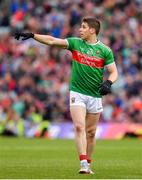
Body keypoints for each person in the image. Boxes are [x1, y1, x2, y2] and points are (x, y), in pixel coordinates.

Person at [14, 16, 118, 174]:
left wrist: (109, 82)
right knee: (78, 126)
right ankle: (83, 163)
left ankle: (88, 164)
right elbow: (52, 41)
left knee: (91, 132)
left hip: (95, 95)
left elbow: (114, 72)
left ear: (92, 30)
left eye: (83, 27)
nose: (80, 29)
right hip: (77, 92)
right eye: (80, 27)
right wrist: (34, 36)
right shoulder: (75, 43)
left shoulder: (104, 50)